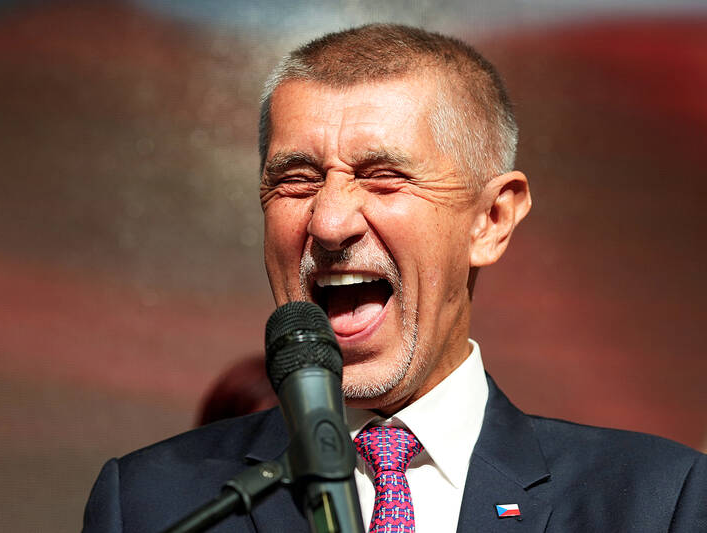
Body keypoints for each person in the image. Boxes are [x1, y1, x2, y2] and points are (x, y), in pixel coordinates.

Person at [82, 24, 706, 532]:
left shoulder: (657, 502)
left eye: (383, 176)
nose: (329, 223)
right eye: (296, 180)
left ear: (491, 220)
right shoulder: (147, 503)